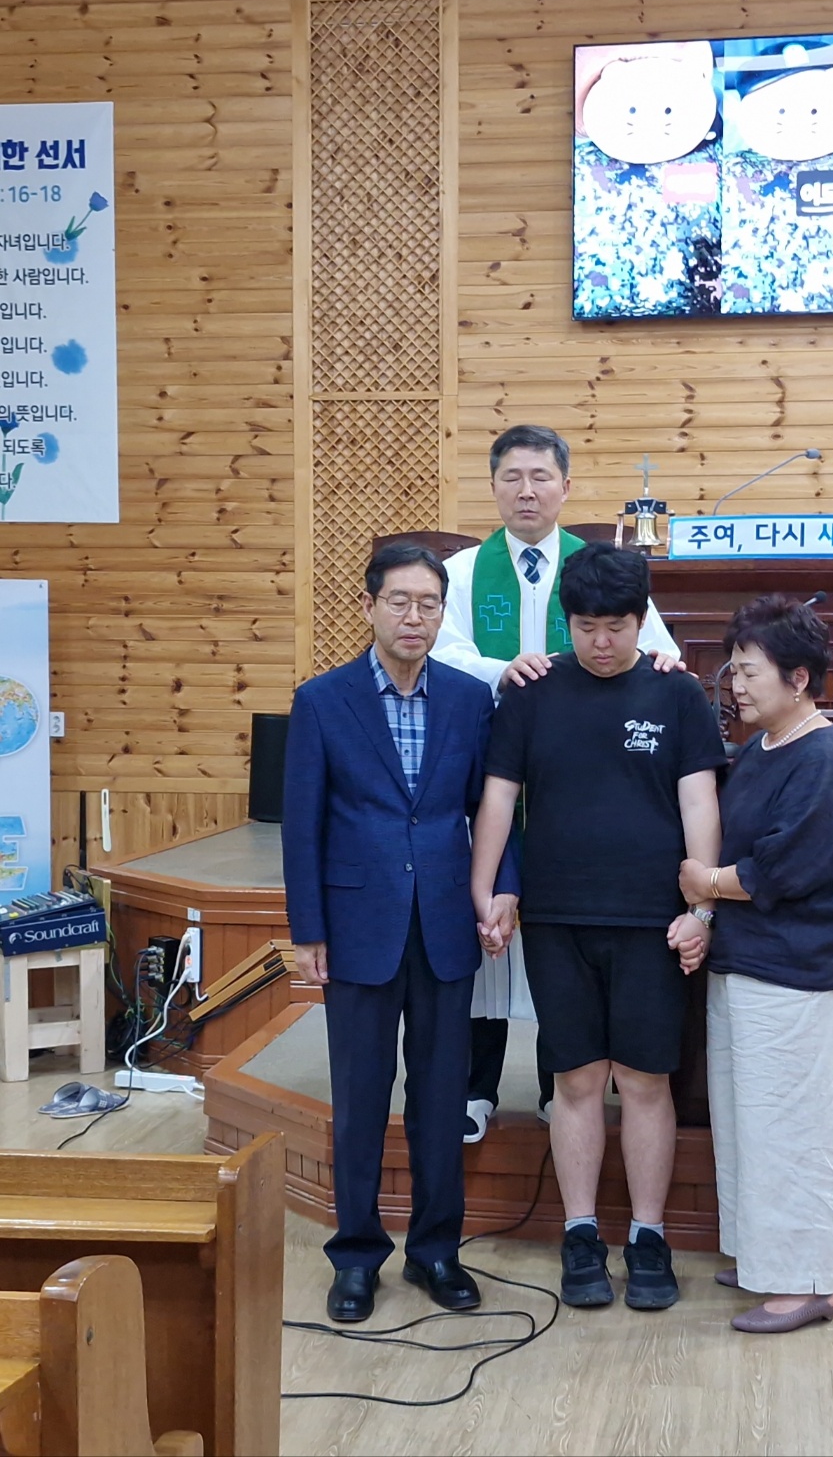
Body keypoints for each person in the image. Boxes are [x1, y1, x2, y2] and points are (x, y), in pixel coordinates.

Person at [470, 543, 725, 1311]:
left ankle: (648, 1236)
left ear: (642, 622)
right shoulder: (532, 693)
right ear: (568, 621)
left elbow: (699, 801)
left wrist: (701, 908)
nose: (602, 642)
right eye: (586, 627)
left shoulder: (677, 695)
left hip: (652, 919)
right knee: (576, 1079)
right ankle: (579, 1233)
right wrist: (486, 889)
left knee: (645, 1080)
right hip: (557, 915)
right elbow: (499, 796)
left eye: (616, 627)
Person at [282, 541, 519, 1324]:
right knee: (359, 1097)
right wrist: (309, 928)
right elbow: (302, 827)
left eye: (429, 604)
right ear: (369, 607)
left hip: (447, 921)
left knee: (442, 1096)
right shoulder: (323, 700)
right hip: (357, 924)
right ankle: (356, 1256)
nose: (414, 617)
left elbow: (494, 807)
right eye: (400, 601)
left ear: (442, 613)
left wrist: (503, 887)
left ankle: (435, 1250)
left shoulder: (469, 699)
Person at [433, 423, 682, 1143]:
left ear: (566, 487)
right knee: (487, 932)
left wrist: (665, 663)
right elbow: (441, 652)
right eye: (512, 477)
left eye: (540, 476)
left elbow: (653, 647)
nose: (526, 491)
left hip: (577, 783)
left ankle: (555, 1089)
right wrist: (501, 669)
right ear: (493, 487)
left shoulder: (597, 567)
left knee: (559, 939)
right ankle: (476, 1088)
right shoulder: (462, 572)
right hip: (488, 770)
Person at [679, 595, 833, 1335]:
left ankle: (807, 1282)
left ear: (798, 678)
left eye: (749, 671)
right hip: (748, 962)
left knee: (793, 1131)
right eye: (732, 670)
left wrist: (706, 883)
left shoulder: (825, 757)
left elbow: (790, 867)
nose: (736, 685)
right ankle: (765, 1259)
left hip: (798, 975)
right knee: (749, 1126)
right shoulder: (762, 747)